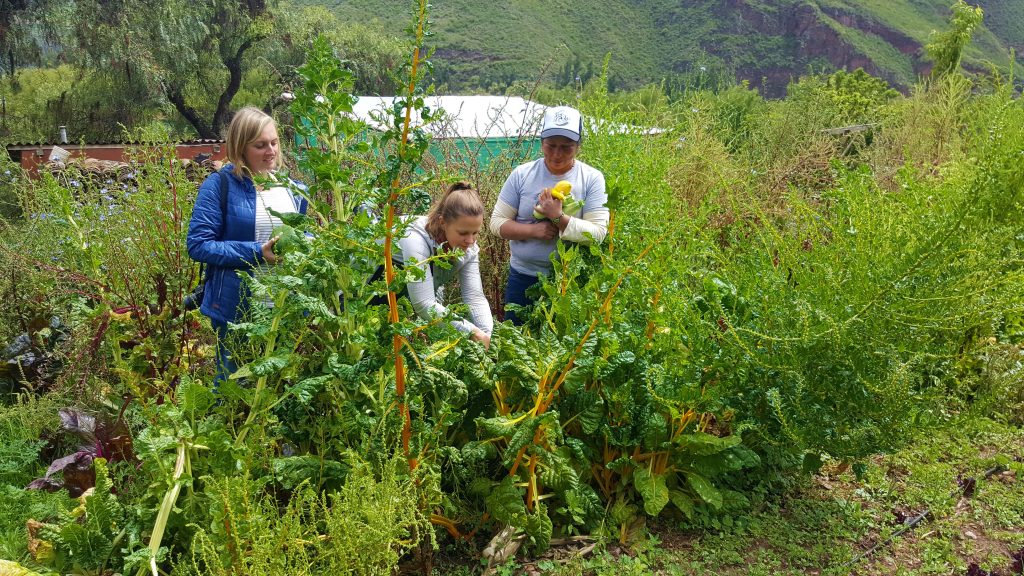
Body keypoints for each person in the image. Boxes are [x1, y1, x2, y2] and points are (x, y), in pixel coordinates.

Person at [186, 106, 307, 382]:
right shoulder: (219, 185)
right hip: (237, 309)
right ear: (241, 147)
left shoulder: (292, 189)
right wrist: (257, 253)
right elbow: (199, 244)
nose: (271, 151)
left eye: (274, 142)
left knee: (277, 388)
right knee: (234, 388)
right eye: (260, 145)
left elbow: (300, 234)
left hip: (282, 310)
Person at [489, 105, 609, 324]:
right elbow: (496, 224)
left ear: (578, 145)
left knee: (562, 351)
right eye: (551, 145)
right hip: (522, 278)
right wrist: (534, 230)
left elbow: (599, 234)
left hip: (568, 282)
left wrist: (558, 218)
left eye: (566, 147)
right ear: (541, 142)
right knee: (515, 345)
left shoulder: (592, 178)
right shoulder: (522, 175)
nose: (556, 154)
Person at [395, 181, 493, 347]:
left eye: (475, 233)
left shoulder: (469, 247)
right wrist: (472, 332)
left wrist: (487, 336)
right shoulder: (415, 239)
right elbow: (423, 304)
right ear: (442, 222)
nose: (470, 241)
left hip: (410, 297)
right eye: (463, 233)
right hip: (371, 290)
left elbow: (475, 298)